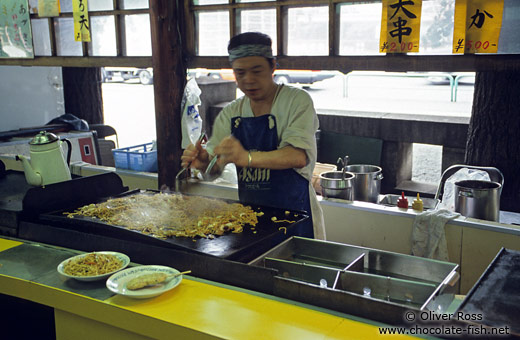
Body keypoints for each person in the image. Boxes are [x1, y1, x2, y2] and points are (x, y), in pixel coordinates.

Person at [181, 32, 325, 240]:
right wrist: (203, 161)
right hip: (251, 220)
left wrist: (246, 158)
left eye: (257, 71)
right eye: (240, 73)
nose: (248, 80)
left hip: (298, 220)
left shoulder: (296, 101)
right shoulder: (232, 113)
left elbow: (297, 156)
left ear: (273, 66)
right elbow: (213, 169)